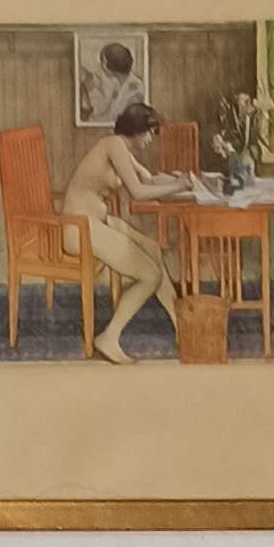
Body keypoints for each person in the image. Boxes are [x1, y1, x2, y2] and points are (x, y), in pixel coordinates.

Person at [61, 99, 181, 360]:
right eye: (149, 133)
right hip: (79, 228)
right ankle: (109, 337)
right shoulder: (114, 146)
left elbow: (148, 179)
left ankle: (179, 323)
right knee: (150, 275)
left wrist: (183, 180)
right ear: (137, 130)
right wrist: (177, 187)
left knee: (153, 250)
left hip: (96, 223)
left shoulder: (121, 148)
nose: (151, 139)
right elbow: (138, 192)